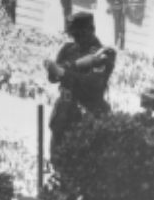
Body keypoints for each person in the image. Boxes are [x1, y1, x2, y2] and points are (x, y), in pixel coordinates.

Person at [46, 10, 115, 155]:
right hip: (64, 111)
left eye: (80, 34)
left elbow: (92, 85)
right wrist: (75, 65)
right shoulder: (68, 49)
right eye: (73, 34)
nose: (76, 39)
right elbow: (52, 77)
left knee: (82, 160)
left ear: (91, 30)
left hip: (87, 113)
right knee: (56, 158)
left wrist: (65, 71)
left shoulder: (103, 54)